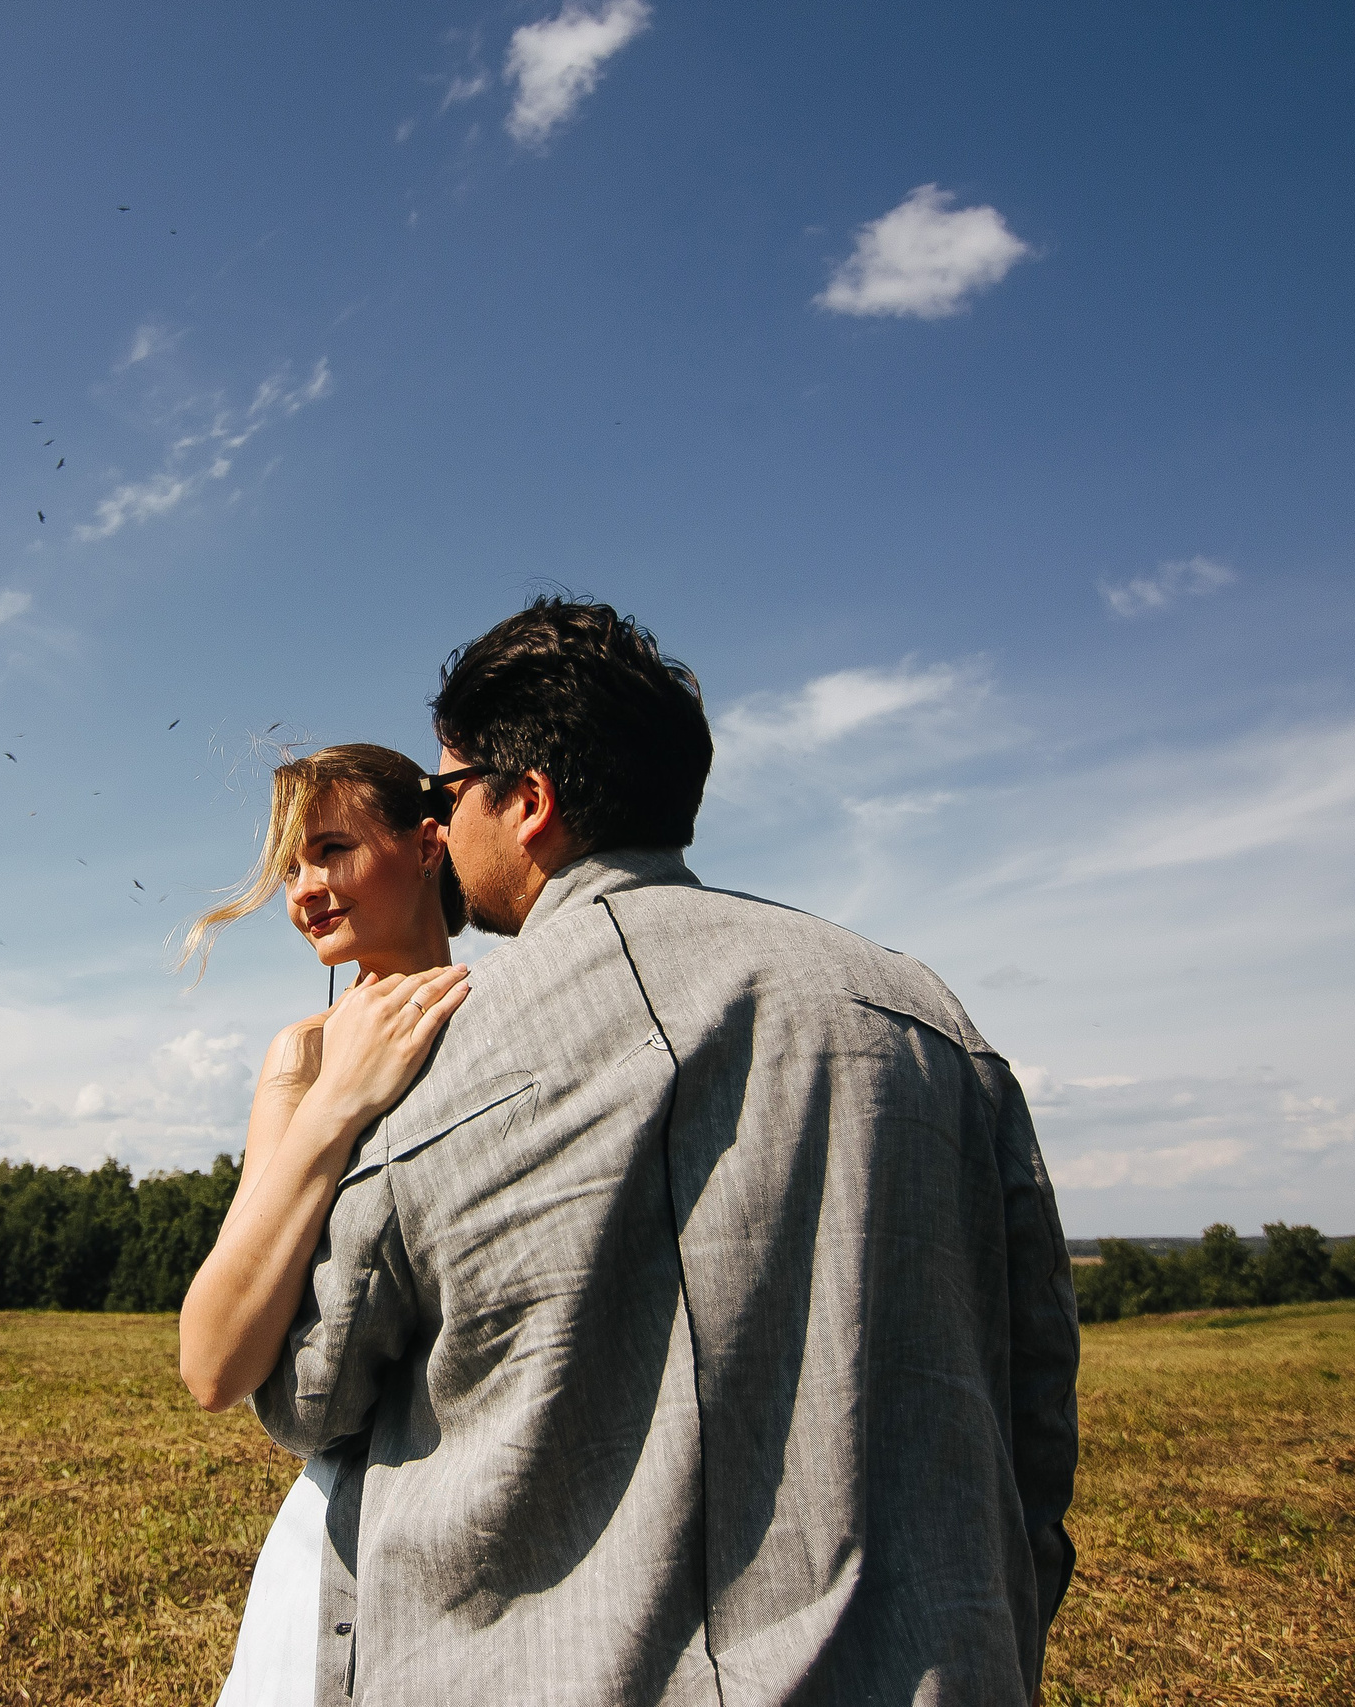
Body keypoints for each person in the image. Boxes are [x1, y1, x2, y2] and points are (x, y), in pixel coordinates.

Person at [248, 598, 1081, 1706]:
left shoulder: (436, 1051)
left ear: (529, 802)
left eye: (450, 795)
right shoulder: (925, 1016)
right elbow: (1032, 1404)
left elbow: (310, 1391)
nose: (442, 829)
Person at [175, 743, 477, 1707]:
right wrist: (338, 1102)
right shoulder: (301, 1059)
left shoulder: (509, 1020)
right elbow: (213, 1363)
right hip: (341, 1543)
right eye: (291, 867)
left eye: (332, 850)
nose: (304, 891)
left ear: (429, 845)